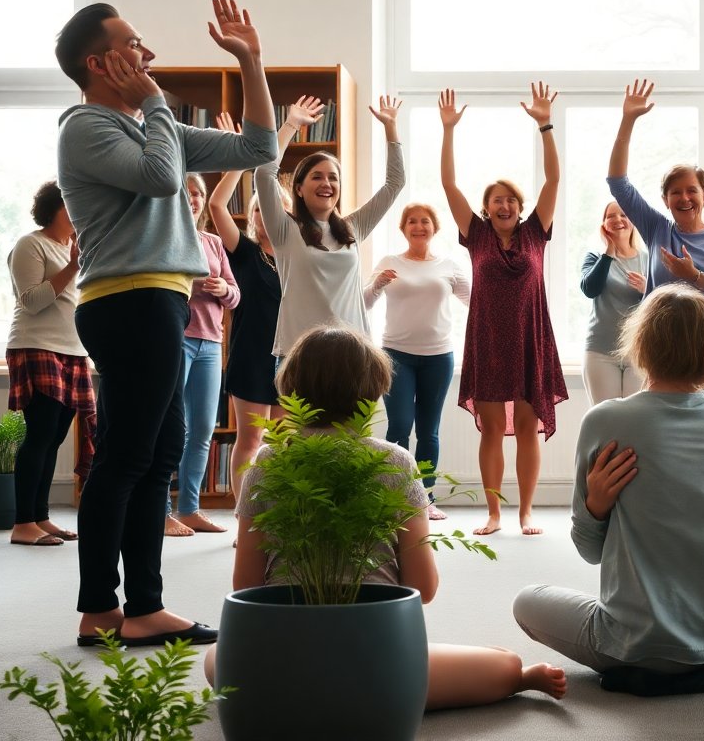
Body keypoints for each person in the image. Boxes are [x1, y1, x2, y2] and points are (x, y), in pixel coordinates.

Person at [55, 0, 277, 647]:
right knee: (125, 457)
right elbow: (158, 179)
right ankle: (101, 608)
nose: (147, 54)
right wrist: (154, 98)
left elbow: (259, 145)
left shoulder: (157, 128)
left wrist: (251, 60)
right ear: (100, 62)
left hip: (161, 301)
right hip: (129, 300)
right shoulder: (86, 127)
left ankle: (144, 606)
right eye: (134, 44)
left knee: (157, 457)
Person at [204, 326, 567, 710]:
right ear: (373, 390)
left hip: (289, 655)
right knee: (505, 663)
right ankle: (520, 678)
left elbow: (246, 586)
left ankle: (309, 692)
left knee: (216, 660)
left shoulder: (267, 463)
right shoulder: (394, 461)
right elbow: (423, 587)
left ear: (291, 388)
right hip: (378, 659)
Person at [513, 285, 704, 696]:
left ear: (640, 343)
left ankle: (654, 669)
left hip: (635, 645)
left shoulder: (605, 421)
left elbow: (589, 552)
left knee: (526, 600)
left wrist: (596, 506)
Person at [438, 84, 567, 536]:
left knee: (528, 429)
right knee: (491, 430)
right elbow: (448, 184)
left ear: (520, 206)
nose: (505, 204)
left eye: (511, 199)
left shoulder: (536, 232)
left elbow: (553, 180)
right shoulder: (475, 234)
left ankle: (526, 512)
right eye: (497, 200)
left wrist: (545, 125)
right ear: (487, 208)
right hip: (489, 339)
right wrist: (448, 130)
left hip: (532, 338)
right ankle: (493, 513)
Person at [607, 79, 704, 406]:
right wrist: (628, 119)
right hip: (662, 354)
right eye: (675, 192)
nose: (684, 198)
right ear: (665, 199)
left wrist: (695, 277)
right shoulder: (658, 229)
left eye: (691, 190)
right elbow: (617, 182)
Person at [257, 94, 406, 358]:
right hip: (299, 355)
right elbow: (264, 173)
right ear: (299, 189)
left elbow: (395, 184)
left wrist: (391, 128)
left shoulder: (353, 228)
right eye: (317, 177)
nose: (326, 183)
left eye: (333, 178)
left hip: (352, 353)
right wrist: (291, 124)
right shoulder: (284, 229)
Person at [364, 203, 471, 522]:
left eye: (425, 221)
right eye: (412, 221)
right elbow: (364, 301)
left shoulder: (448, 265)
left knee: (429, 431)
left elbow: (477, 302)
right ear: (403, 228)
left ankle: (425, 499)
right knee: (399, 425)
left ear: (434, 228)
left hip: (438, 358)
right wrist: (378, 283)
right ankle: (393, 495)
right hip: (396, 356)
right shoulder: (389, 262)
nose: (419, 226)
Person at [4, 181, 95, 548]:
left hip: (73, 351)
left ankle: (39, 517)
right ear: (56, 207)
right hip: (36, 345)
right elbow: (31, 301)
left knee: (55, 438)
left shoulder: (72, 249)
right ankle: (22, 523)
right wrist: (73, 266)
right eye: (73, 204)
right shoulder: (31, 244)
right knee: (40, 434)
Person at [207, 112, 290, 489]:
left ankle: (280, 516)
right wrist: (241, 159)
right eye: (257, 208)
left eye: (271, 207)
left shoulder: (296, 256)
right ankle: (246, 518)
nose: (263, 213)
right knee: (252, 440)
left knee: (285, 444)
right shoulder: (243, 250)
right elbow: (216, 207)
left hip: (290, 358)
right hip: (251, 356)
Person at [165, 172, 239, 538]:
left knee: (203, 429)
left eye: (198, 193)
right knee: (170, 427)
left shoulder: (213, 242)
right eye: (186, 192)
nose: (193, 199)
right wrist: (192, 284)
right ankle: (161, 510)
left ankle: (190, 509)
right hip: (176, 339)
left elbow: (236, 296)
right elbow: (159, 285)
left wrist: (224, 287)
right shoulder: (165, 237)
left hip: (211, 344)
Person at [579, 202, 649, 404]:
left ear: (633, 222)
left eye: (623, 214)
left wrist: (647, 289)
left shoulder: (648, 259)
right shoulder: (595, 257)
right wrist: (609, 252)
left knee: (634, 421)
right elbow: (590, 289)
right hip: (600, 352)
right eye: (611, 216)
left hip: (638, 353)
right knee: (605, 422)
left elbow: (661, 304)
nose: (618, 219)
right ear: (604, 224)